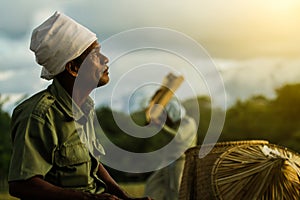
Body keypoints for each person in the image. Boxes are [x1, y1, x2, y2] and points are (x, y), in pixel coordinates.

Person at [8, 11, 152, 200]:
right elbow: (21, 185)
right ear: (74, 68)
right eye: (94, 54)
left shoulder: (85, 107)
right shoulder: (39, 115)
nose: (105, 59)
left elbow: (92, 164)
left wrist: (126, 197)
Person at [143, 97, 197, 200]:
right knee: (152, 186)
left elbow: (178, 137)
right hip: (168, 162)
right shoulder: (174, 125)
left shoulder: (188, 122)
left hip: (182, 162)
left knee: (177, 191)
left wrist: (160, 126)